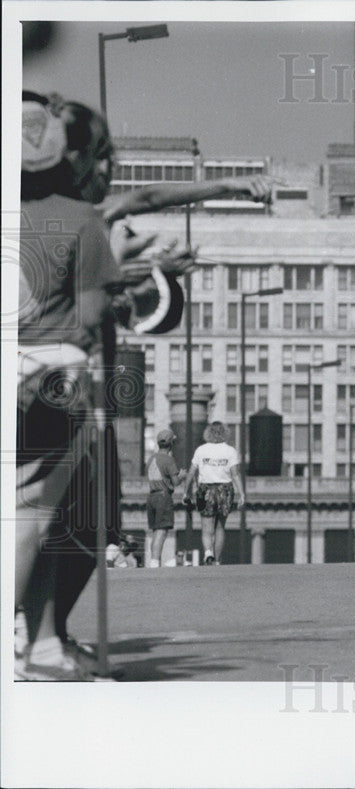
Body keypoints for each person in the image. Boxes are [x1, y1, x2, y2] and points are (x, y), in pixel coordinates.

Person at [16, 92, 120, 679]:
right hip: (53, 377)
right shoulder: (81, 220)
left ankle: (41, 645)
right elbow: (85, 319)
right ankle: (22, 639)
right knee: (34, 518)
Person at [183, 422, 245, 565]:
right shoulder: (230, 451)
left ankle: (208, 552)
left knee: (206, 526)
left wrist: (185, 492)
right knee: (220, 527)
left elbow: (191, 472)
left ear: (208, 433)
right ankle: (217, 560)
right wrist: (242, 493)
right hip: (225, 489)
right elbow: (235, 474)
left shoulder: (201, 450)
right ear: (225, 433)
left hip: (205, 490)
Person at [146, 428, 185, 568]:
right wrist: (181, 475)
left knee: (156, 530)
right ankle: (155, 562)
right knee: (162, 531)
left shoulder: (151, 458)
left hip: (151, 496)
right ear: (171, 444)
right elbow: (175, 482)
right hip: (163, 496)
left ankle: (153, 561)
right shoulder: (168, 459)